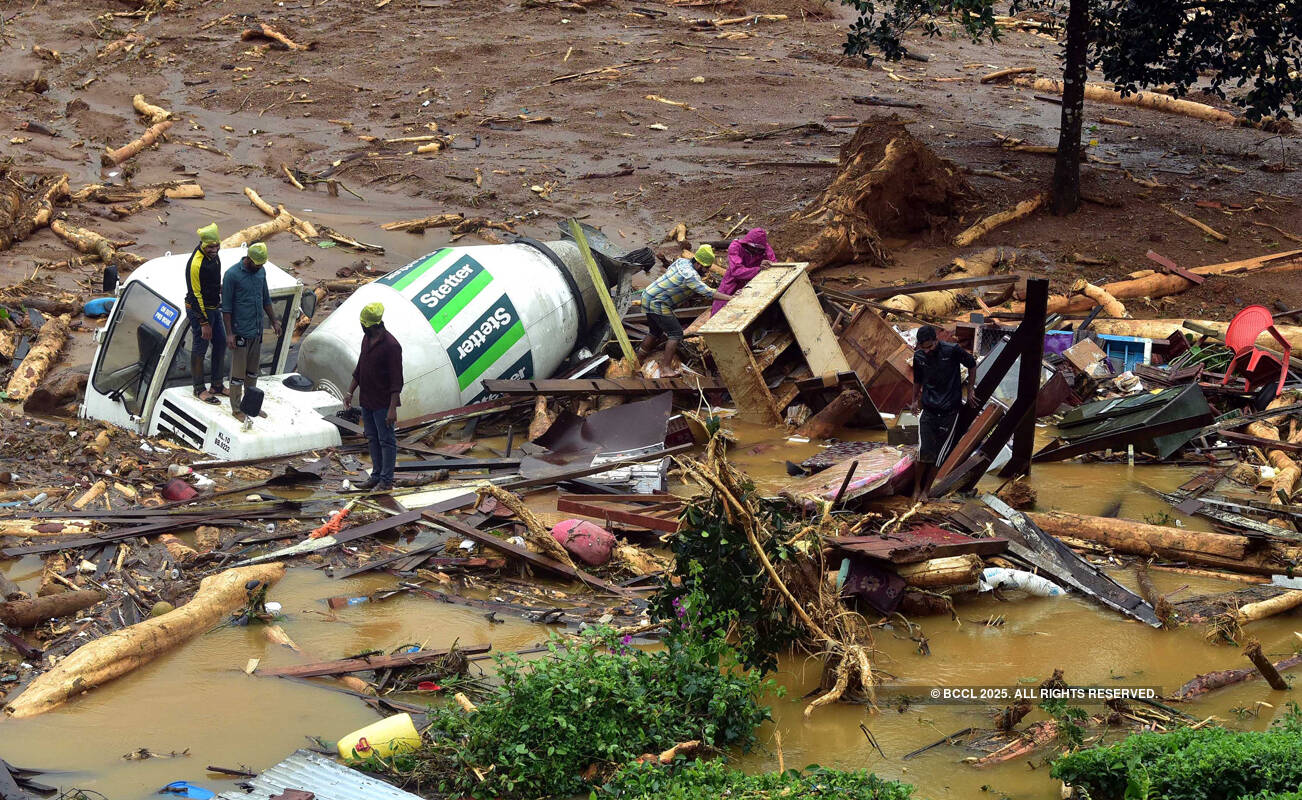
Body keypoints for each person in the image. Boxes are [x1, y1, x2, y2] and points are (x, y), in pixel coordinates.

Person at [636, 245, 731, 376]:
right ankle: (665, 368)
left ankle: (637, 361)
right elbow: (708, 292)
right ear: (698, 264)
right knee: (676, 333)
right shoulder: (691, 276)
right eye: (706, 268)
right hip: (657, 303)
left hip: (648, 295)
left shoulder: (682, 262)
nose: (707, 271)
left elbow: (670, 270)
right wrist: (730, 298)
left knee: (655, 331)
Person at [910, 325, 976, 501]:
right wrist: (914, 400)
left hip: (949, 411)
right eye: (923, 348)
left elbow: (972, 364)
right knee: (924, 452)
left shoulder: (952, 350)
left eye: (930, 347)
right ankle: (916, 489)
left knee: (939, 456)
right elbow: (917, 380)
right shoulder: (919, 356)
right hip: (929, 409)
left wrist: (970, 391)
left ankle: (926, 490)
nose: (927, 351)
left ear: (936, 340)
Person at [343, 302, 403, 491]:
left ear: (371, 325)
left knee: (386, 440)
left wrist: (392, 409)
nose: (361, 327)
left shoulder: (391, 346)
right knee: (372, 437)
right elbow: (360, 367)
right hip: (367, 400)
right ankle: (376, 475)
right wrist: (350, 391)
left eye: (363, 324)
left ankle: (386, 480)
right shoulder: (366, 339)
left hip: (383, 403)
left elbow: (397, 380)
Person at [221, 242, 281, 420]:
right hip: (240, 332)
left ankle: (251, 405)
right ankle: (237, 409)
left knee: (253, 373)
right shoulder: (232, 275)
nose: (260, 267)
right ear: (248, 259)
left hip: (256, 331)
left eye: (262, 264)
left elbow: (266, 299)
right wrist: (230, 333)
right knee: (238, 375)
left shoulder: (261, 272)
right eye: (257, 264)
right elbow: (226, 308)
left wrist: (274, 320)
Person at [185, 223, 226, 403]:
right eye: (210, 247)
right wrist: (203, 322)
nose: (214, 250)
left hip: (213, 306)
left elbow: (214, 280)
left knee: (221, 342)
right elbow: (195, 294)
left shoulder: (215, 257)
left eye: (217, 246)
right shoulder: (196, 264)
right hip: (199, 309)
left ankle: (217, 384)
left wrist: (219, 289)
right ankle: (199, 388)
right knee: (200, 347)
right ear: (203, 244)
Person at [711, 227, 776, 314]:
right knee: (720, 309)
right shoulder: (735, 247)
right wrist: (758, 270)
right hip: (732, 282)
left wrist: (769, 265)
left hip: (754, 282)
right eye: (753, 248)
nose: (756, 251)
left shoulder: (765, 249)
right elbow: (736, 270)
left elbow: (774, 265)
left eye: (758, 249)